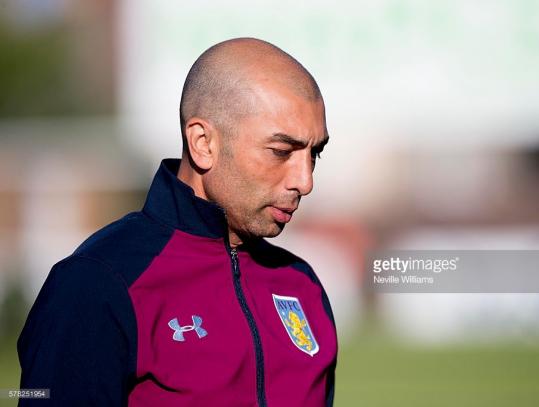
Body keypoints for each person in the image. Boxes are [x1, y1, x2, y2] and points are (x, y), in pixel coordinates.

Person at [17, 37, 337, 407]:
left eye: (315, 153)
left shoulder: (302, 285)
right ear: (203, 143)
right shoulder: (96, 283)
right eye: (281, 151)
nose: (305, 180)